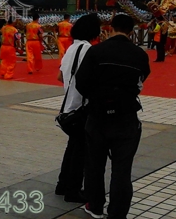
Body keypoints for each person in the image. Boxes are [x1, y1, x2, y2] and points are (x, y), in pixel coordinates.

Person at [76, 14, 150, 219]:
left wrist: (96, 97)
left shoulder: (96, 51)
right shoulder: (139, 54)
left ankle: (95, 205)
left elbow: (81, 82)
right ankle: (117, 212)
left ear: (110, 28)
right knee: (122, 169)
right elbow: (141, 80)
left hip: (98, 115)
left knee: (94, 165)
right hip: (126, 117)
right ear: (131, 31)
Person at [55, 13, 101, 203]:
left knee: (73, 147)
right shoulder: (88, 49)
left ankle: (63, 184)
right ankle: (72, 190)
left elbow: (60, 76)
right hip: (81, 107)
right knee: (81, 150)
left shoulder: (71, 48)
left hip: (69, 106)